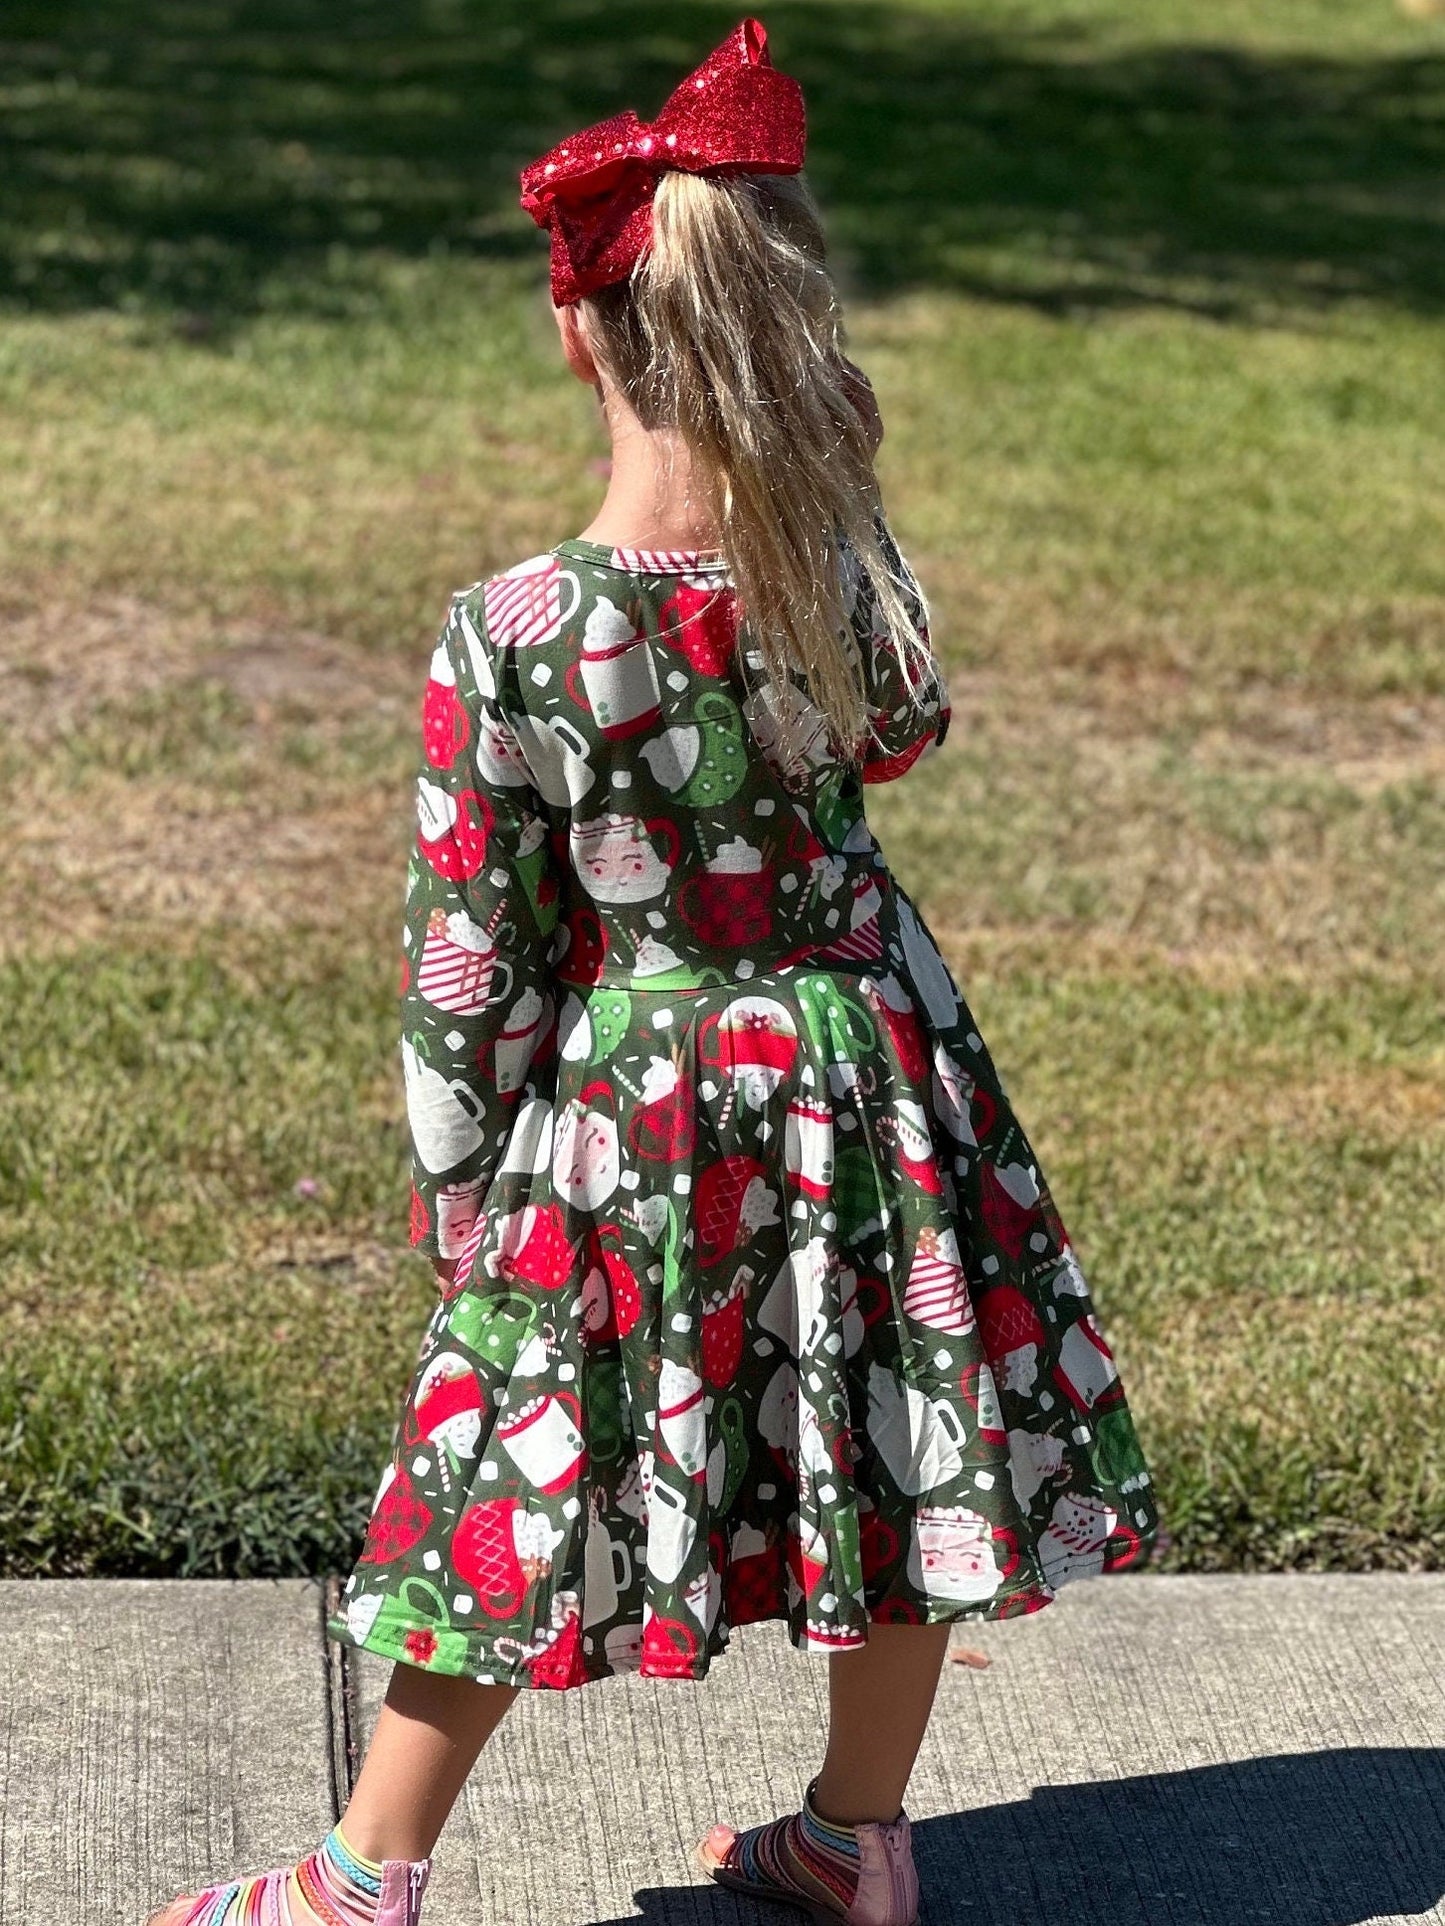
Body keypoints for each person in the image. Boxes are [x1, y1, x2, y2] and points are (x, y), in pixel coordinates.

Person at [149, 18, 1158, 1926]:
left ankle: (364, 1876)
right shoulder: (835, 577)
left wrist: (468, 1200)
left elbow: (474, 958)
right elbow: (907, 727)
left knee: (502, 1475)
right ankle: (857, 1835)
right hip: (866, 1071)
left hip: (634, 1102)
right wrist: (837, 505)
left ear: (576, 335)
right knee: (898, 1434)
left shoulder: (515, 633)